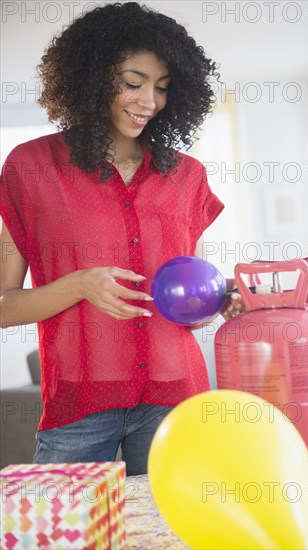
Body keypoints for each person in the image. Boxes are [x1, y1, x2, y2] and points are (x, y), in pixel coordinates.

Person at [0, 2, 243, 475]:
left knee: (172, 541)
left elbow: (189, 296)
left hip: (176, 398)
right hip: (79, 405)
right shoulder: (29, 169)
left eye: (162, 88)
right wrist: (80, 285)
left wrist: (217, 300)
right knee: (56, 539)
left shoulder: (187, 176)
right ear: (92, 78)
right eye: (133, 83)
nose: (148, 101)